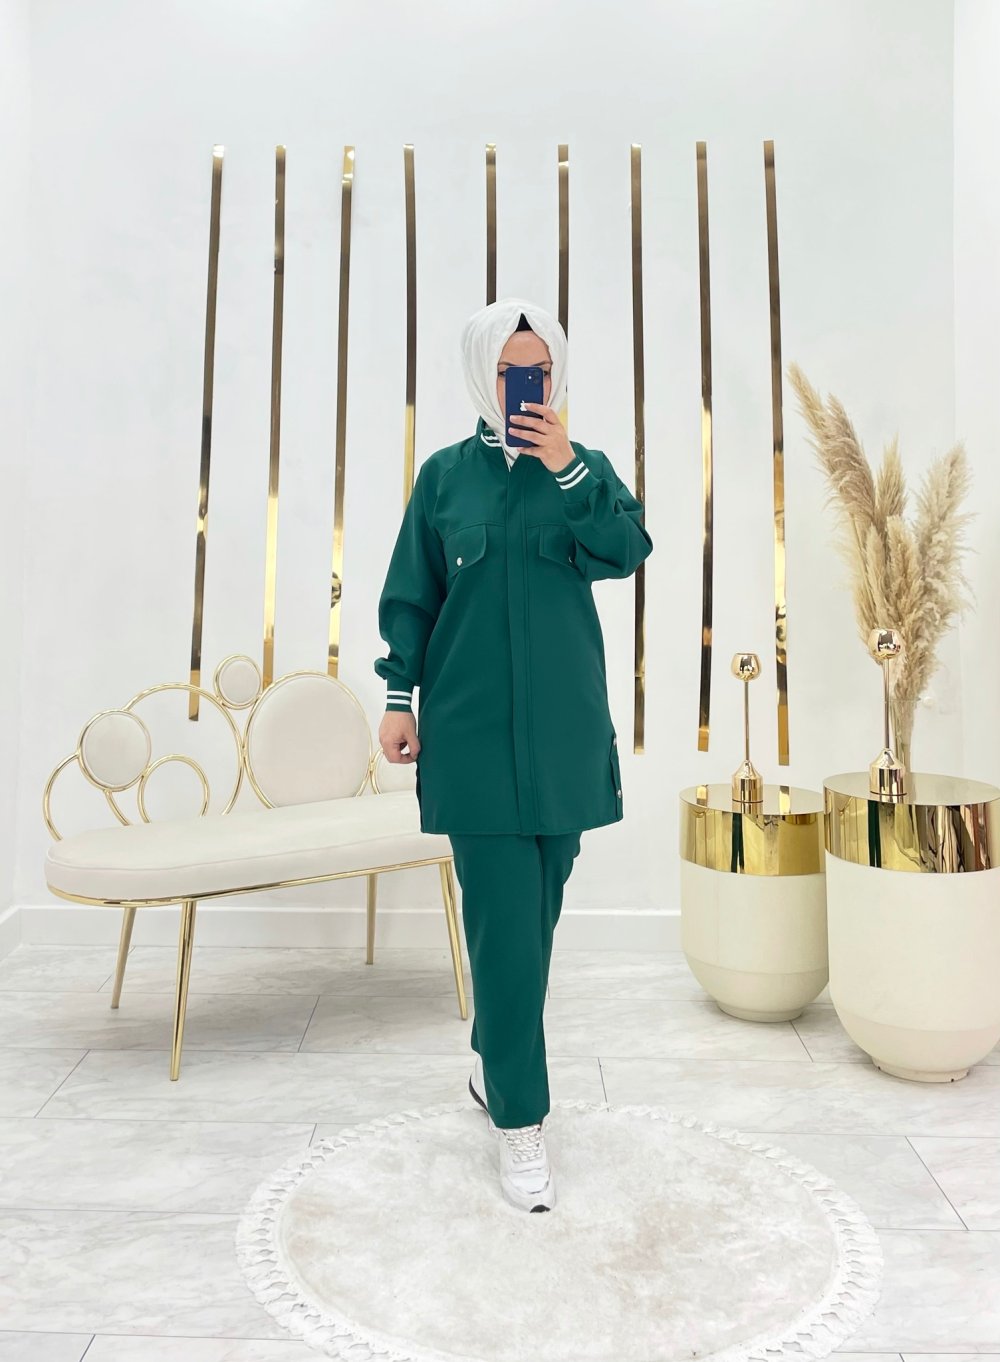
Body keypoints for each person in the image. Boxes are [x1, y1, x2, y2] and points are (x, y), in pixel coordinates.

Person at [374, 296, 653, 1212]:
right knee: (502, 921)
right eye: (507, 370)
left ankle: (492, 1056)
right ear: (480, 373)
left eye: (537, 370)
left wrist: (567, 467)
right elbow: (412, 596)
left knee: (535, 915)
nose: (523, 385)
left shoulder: (584, 470)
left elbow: (626, 550)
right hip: (470, 734)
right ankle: (520, 1119)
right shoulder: (444, 479)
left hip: (563, 733)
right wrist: (398, 697)